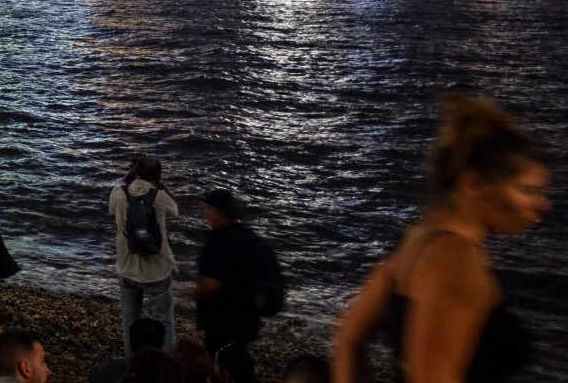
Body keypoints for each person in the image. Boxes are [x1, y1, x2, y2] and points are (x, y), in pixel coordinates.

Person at [331, 94, 545, 383]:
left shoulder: (417, 241)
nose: (543, 204)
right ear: (475, 184)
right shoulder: (457, 263)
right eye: (527, 191)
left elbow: (349, 338)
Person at [194, 188, 281, 383]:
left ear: (217, 211)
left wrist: (190, 295)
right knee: (238, 362)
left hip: (222, 320)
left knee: (219, 365)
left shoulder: (218, 241)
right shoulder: (249, 238)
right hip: (248, 316)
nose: (204, 212)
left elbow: (211, 285)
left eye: (206, 208)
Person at [110, 155, 179, 353]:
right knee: (164, 321)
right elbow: (176, 210)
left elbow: (112, 208)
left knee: (130, 322)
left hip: (127, 266)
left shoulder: (117, 193)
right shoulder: (160, 196)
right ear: (157, 177)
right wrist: (160, 185)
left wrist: (129, 176)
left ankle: (134, 363)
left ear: (135, 172)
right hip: (157, 269)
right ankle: (165, 363)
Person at [89, 318, 167, 383]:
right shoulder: (169, 374)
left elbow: (93, 376)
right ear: (161, 345)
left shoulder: (109, 369)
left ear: (130, 341)